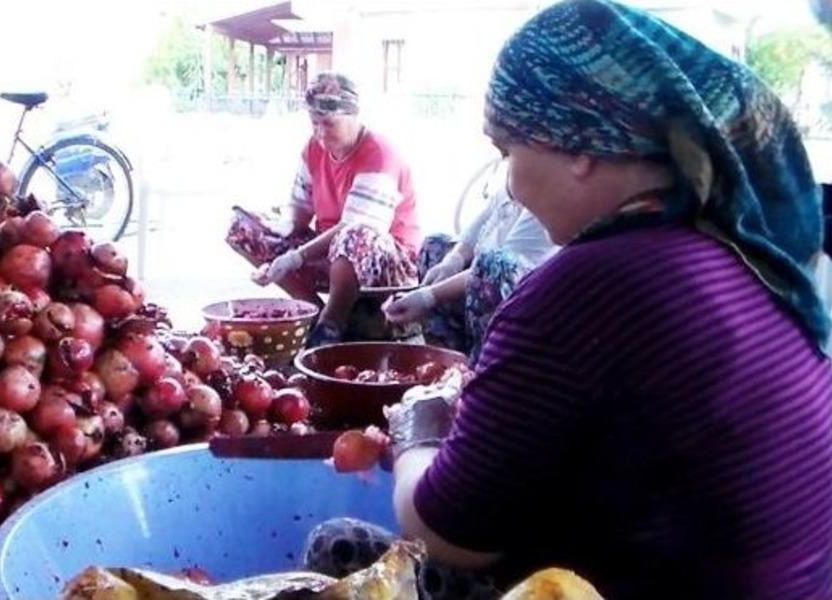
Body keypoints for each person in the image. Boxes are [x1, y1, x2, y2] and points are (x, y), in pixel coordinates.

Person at [306, 1, 832, 599]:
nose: (507, 181)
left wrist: (417, 429)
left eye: (509, 151)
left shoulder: (583, 288)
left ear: (579, 145)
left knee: (338, 546)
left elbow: (447, 531)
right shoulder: (743, 254)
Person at [225, 72, 422, 347]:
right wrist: (282, 231)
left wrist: (294, 258)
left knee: (353, 234)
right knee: (244, 226)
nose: (319, 132)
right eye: (314, 123)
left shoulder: (379, 153)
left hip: (388, 261)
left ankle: (332, 324)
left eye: (328, 123)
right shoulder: (313, 149)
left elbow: (355, 228)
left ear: (352, 116)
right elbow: (300, 208)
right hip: (331, 253)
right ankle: (312, 311)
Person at [382, 178, 558, 359]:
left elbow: (496, 267)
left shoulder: (546, 199)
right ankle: (444, 359)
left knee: (493, 265)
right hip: (477, 284)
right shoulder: (508, 188)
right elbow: (472, 236)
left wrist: (428, 296)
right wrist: (452, 262)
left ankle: (481, 362)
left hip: (524, 304)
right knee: (434, 245)